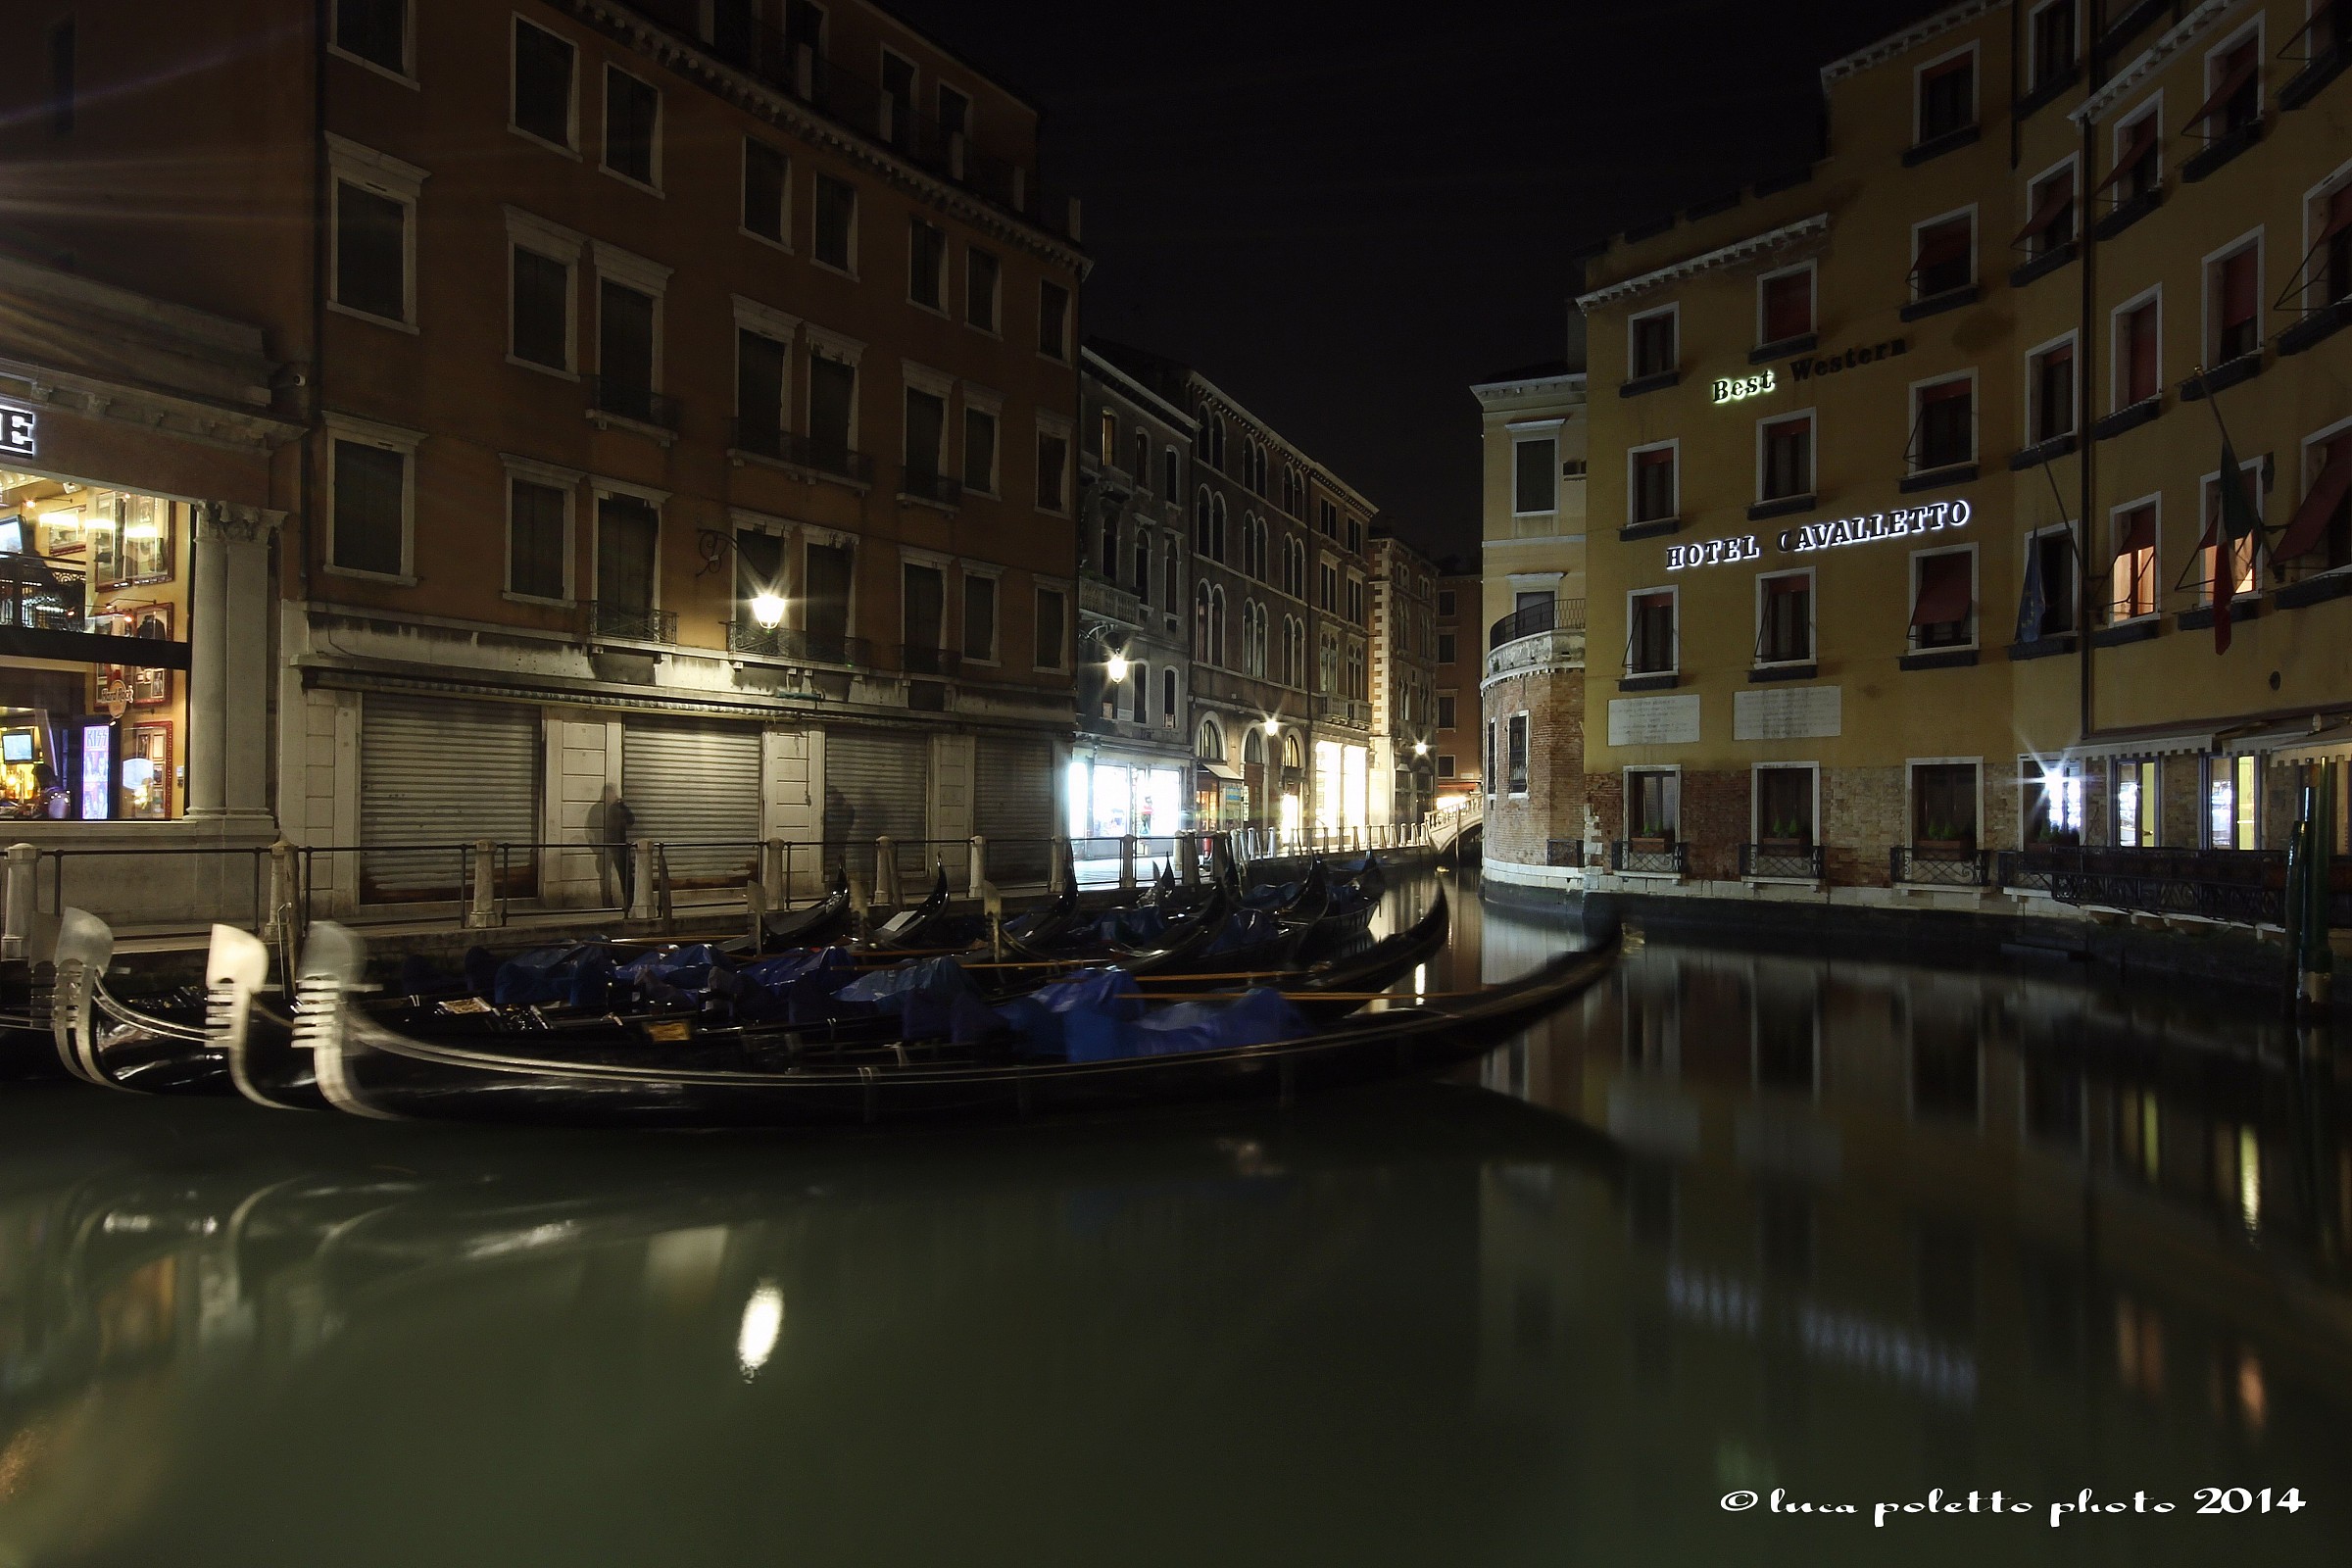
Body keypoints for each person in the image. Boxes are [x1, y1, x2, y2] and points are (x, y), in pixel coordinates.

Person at [598, 787, 636, 909]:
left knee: (625, 874)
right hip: (610, 846)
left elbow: (631, 820)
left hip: (618, 845)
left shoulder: (618, 807)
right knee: (609, 874)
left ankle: (628, 902)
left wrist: (623, 806)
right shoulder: (601, 808)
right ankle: (607, 901)